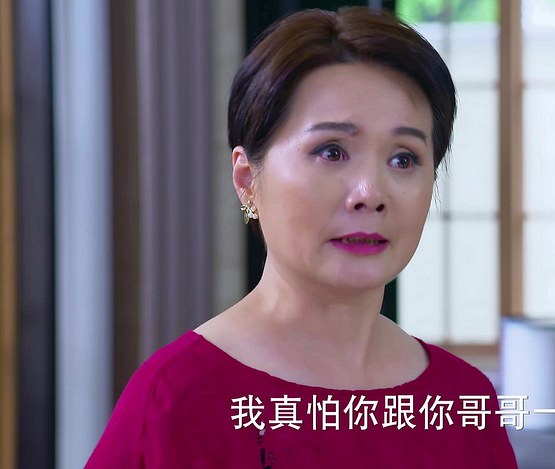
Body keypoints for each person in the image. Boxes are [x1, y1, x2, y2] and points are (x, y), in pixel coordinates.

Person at [87, 7, 517, 468]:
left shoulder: (462, 400)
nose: (370, 194)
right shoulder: (178, 399)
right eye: (331, 151)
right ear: (247, 179)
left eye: (403, 159)